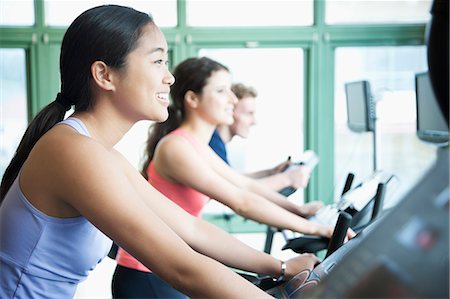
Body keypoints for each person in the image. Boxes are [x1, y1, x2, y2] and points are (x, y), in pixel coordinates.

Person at [0, 5, 320, 299]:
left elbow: (190, 228)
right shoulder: (72, 152)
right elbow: (182, 267)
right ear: (104, 75)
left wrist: (280, 266)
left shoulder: (102, 154)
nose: (169, 77)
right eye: (157, 61)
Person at [113, 56, 354, 298]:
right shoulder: (176, 147)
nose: (232, 99)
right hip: (146, 272)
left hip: (167, 264)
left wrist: (300, 211)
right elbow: (241, 201)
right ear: (192, 99)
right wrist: (317, 229)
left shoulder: (195, 145)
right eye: (221, 91)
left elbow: (244, 185)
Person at [209, 82, 311, 192]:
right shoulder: (212, 144)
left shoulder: (217, 143)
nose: (254, 121)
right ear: (229, 111)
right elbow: (233, 190)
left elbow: (235, 180)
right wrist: (287, 179)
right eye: (249, 113)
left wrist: (271, 172)